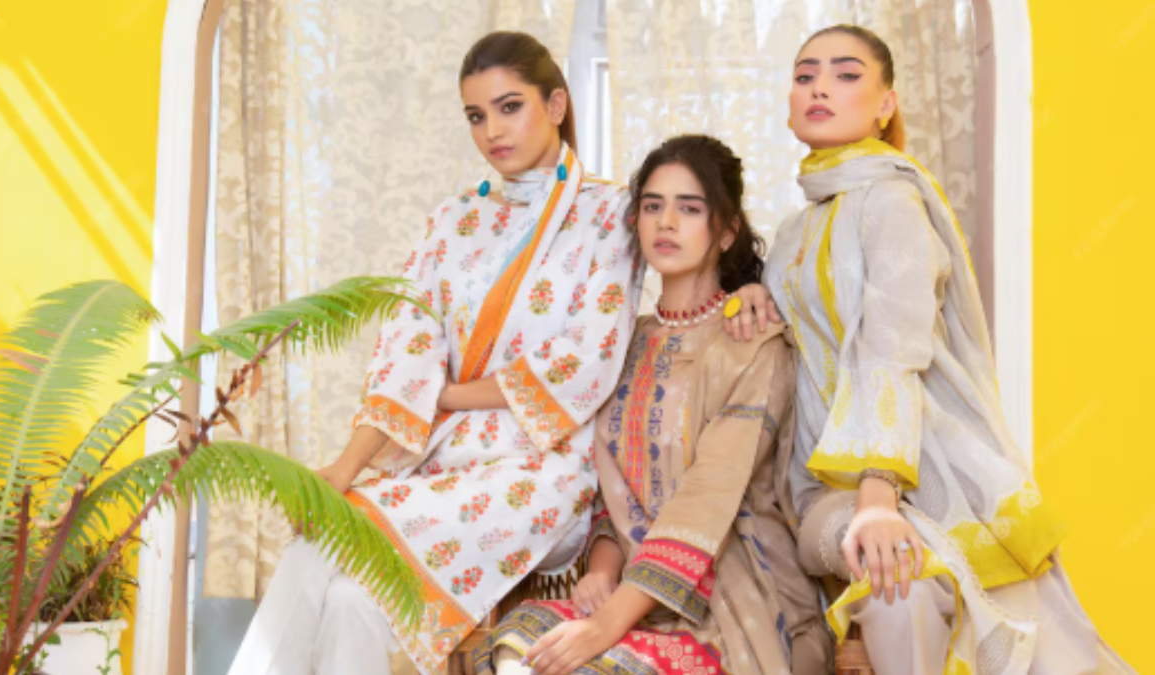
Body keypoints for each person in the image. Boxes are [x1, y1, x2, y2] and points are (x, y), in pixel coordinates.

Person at [227, 32, 775, 675]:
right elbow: (408, 342)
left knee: (324, 540)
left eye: (510, 107)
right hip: (440, 460)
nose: (492, 131)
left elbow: (585, 360)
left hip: (544, 469)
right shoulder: (451, 220)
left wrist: (751, 290)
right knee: (352, 598)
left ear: (557, 104)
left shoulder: (612, 214)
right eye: (475, 115)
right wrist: (347, 466)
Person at [765, 24, 1135, 675]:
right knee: (886, 572)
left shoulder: (895, 202)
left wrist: (878, 497)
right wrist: (751, 298)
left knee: (898, 584)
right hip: (818, 488)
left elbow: (892, 348)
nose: (820, 87)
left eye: (846, 75)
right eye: (805, 76)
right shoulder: (793, 230)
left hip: (924, 474)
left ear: (885, 105)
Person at [474, 135, 832, 675]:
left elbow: (706, 499)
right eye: (652, 206)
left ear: (727, 231)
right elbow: (610, 493)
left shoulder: (753, 345)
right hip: (627, 597)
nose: (666, 222)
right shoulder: (619, 344)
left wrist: (604, 626)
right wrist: (601, 571)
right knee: (519, 648)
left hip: (733, 600)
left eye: (689, 209)